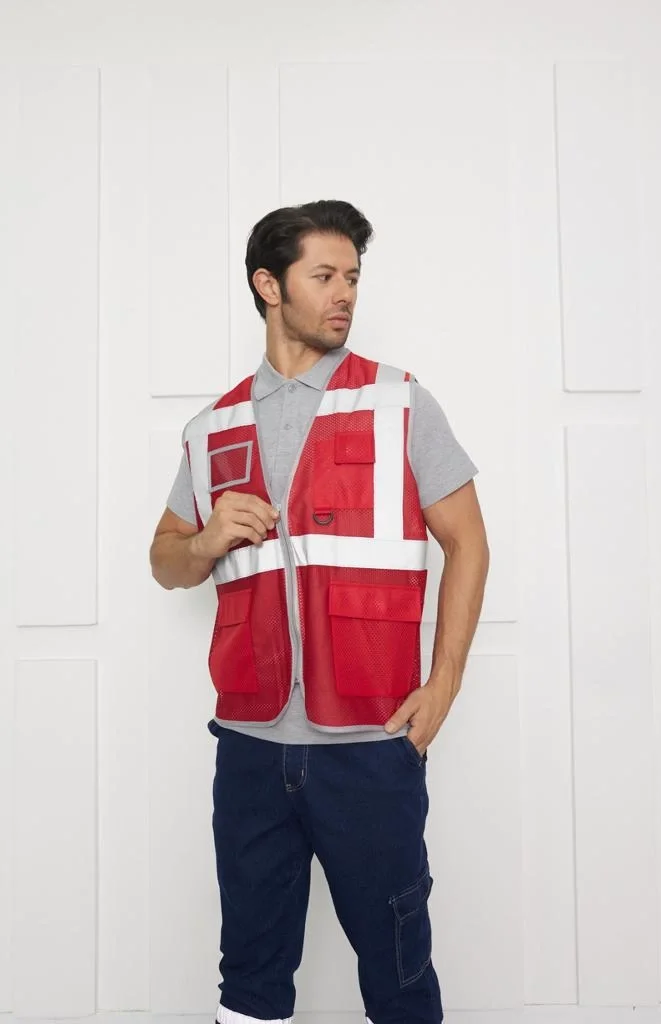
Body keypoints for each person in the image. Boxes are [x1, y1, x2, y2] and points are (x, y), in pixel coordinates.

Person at [149, 200, 489, 1024]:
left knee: (399, 978)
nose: (345, 295)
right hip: (250, 748)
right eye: (326, 276)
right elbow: (165, 561)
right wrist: (205, 541)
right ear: (269, 286)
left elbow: (469, 543)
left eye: (353, 278)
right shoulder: (214, 425)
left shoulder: (400, 402)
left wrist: (443, 684)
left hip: (370, 745)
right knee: (249, 978)